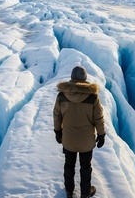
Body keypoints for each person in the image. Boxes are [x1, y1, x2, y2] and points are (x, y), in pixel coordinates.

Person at [53, 65, 106, 198]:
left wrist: (57, 131)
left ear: (71, 78)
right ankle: (85, 192)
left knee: (69, 165)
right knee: (85, 167)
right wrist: (101, 134)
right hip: (86, 140)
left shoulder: (62, 96)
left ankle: (69, 191)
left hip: (68, 139)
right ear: (85, 79)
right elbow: (98, 118)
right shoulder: (93, 97)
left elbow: (57, 115)